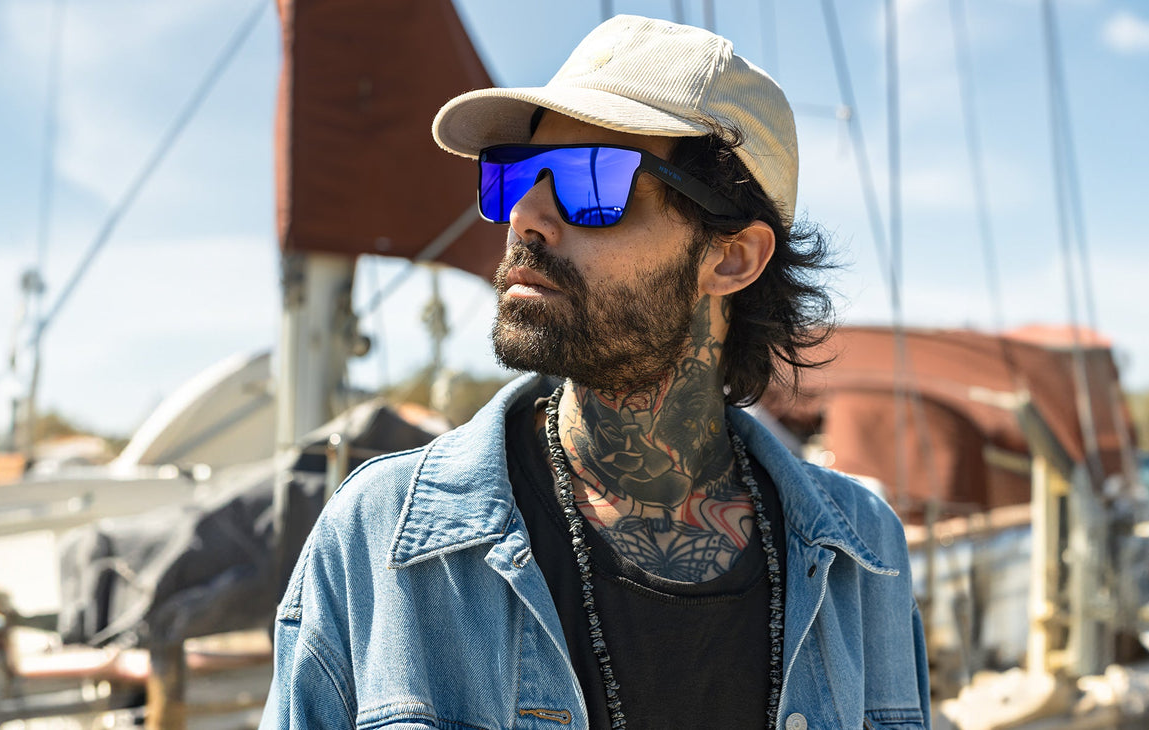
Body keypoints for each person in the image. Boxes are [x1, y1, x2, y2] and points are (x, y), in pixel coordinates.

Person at [261, 14, 929, 730]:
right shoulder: (377, 539)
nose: (526, 216)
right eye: (515, 174)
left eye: (591, 182)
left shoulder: (863, 555)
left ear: (730, 258)